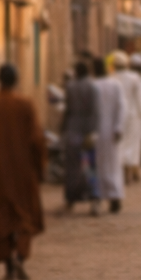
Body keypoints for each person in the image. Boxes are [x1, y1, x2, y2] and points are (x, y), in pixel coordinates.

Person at [0, 63, 47, 280]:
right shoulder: (25, 104)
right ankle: (21, 256)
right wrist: (40, 166)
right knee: (25, 215)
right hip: (23, 171)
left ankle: (8, 264)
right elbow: (36, 139)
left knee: (1, 216)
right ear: (16, 80)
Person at [60, 59, 99, 216]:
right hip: (88, 130)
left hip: (73, 130)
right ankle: (94, 199)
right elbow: (95, 111)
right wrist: (93, 130)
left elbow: (67, 110)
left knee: (72, 166)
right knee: (91, 166)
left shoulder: (70, 86)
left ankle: (71, 198)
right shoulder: (93, 86)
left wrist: (63, 128)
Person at [91, 56, 126, 212]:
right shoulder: (115, 84)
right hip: (110, 132)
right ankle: (112, 197)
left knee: (98, 166)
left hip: (99, 132)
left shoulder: (93, 85)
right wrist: (118, 127)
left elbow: (120, 107)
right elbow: (122, 107)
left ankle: (102, 198)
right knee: (111, 165)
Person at [117, 53, 141, 183]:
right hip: (133, 115)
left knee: (121, 143)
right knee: (133, 143)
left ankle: (124, 169)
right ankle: (132, 169)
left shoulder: (112, 78)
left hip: (118, 115)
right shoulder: (134, 78)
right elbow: (140, 98)